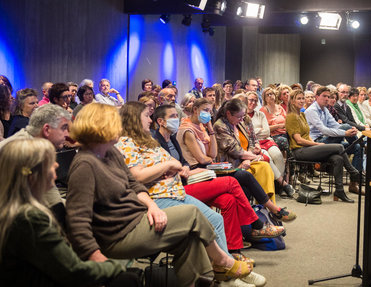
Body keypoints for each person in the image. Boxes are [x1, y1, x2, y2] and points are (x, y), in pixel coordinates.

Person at [66, 103, 251, 287]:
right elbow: (77, 220)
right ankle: (224, 262)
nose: (121, 127)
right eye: (115, 123)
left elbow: (133, 184)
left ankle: (202, 281)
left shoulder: (109, 153)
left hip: (136, 219)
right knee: (192, 213)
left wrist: (152, 206)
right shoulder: (85, 165)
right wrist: (94, 254)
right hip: (119, 235)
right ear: (100, 127)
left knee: (190, 239)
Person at [155, 101, 283, 272]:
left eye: (176, 116)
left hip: (192, 176)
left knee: (228, 199)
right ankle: (257, 225)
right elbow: (192, 163)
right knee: (233, 181)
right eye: (172, 117)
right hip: (179, 188)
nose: (176, 119)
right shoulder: (159, 140)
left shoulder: (171, 138)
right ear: (160, 121)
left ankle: (233, 252)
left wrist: (209, 131)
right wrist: (183, 168)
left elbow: (195, 160)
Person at [0, 138, 132, 287]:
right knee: (127, 279)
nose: (56, 165)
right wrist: (117, 267)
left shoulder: (11, 210)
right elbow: (74, 271)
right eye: (50, 162)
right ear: (33, 176)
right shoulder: (30, 218)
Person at [214, 99, 297, 222]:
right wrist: (252, 157)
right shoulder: (220, 126)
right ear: (228, 114)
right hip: (230, 166)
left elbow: (251, 142)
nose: (242, 119)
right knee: (250, 177)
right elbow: (235, 151)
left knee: (265, 167)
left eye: (243, 116)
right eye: (239, 116)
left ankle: (268, 211)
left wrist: (251, 156)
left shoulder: (238, 123)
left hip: (246, 161)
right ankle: (272, 210)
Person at [287, 89, 359, 202]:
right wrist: (316, 144)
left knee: (338, 158)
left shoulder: (301, 114)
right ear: (292, 101)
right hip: (299, 151)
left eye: (302, 98)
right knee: (340, 147)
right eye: (298, 98)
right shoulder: (292, 116)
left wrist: (315, 145)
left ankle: (339, 191)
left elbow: (307, 135)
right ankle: (354, 172)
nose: (301, 101)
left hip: (309, 147)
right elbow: (299, 140)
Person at [304, 86, 365, 184]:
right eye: (324, 96)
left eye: (328, 96)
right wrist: (345, 132)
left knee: (357, 147)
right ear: (317, 96)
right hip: (316, 143)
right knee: (346, 127)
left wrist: (349, 130)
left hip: (327, 140)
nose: (327, 99)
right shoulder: (312, 110)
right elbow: (324, 130)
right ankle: (357, 173)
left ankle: (354, 181)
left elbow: (335, 125)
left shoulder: (324, 109)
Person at [245, 91, 294, 197]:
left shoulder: (260, 114)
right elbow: (247, 134)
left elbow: (267, 131)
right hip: (254, 143)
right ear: (246, 100)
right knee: (268, 158)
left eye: (255, 100)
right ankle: (283, 184)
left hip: (266, 140)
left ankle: (276, 185)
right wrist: (257, 131)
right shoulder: (243, 115)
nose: (253, 102)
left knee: (278, 156)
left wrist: (254, 131)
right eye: (250, 100)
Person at [259, 87, 290, 154]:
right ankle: (292, 161)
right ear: (265, 98)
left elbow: (287, 121)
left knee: (295, 138)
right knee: (284, 141)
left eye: (272, 94)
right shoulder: (263, 110)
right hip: (273, 136)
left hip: (285, 133)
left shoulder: (279, 107)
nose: (270, 96)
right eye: (268, 95)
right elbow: (265, 129)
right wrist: (278, 126)